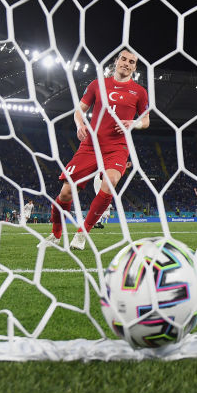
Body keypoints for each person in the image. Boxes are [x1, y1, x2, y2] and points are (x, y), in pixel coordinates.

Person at [46, 49, 149, 250]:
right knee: (66, 193)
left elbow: (146, 121)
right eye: (124, 59)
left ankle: (82, 233)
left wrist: (133, 123)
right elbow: (78, 111)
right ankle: (56, 234)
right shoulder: (97, 85)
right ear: (116, 61)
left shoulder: (139, 92)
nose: (127, 64)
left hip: (117, 147)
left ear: (135, 67)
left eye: (132, 62)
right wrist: (79, 125)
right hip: (91, 145)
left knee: (110, 181)